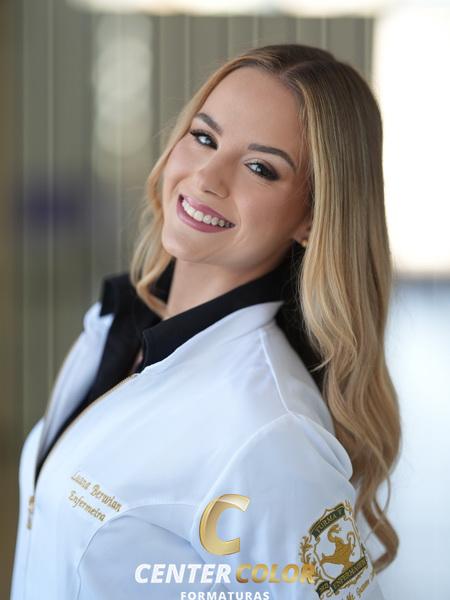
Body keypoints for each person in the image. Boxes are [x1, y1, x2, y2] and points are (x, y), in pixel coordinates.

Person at [10, 43, 400, 599]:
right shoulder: (115, 323)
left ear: (313, 218)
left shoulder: (270, 435)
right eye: (204, 137)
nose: (208, 177)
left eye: (261, 168)